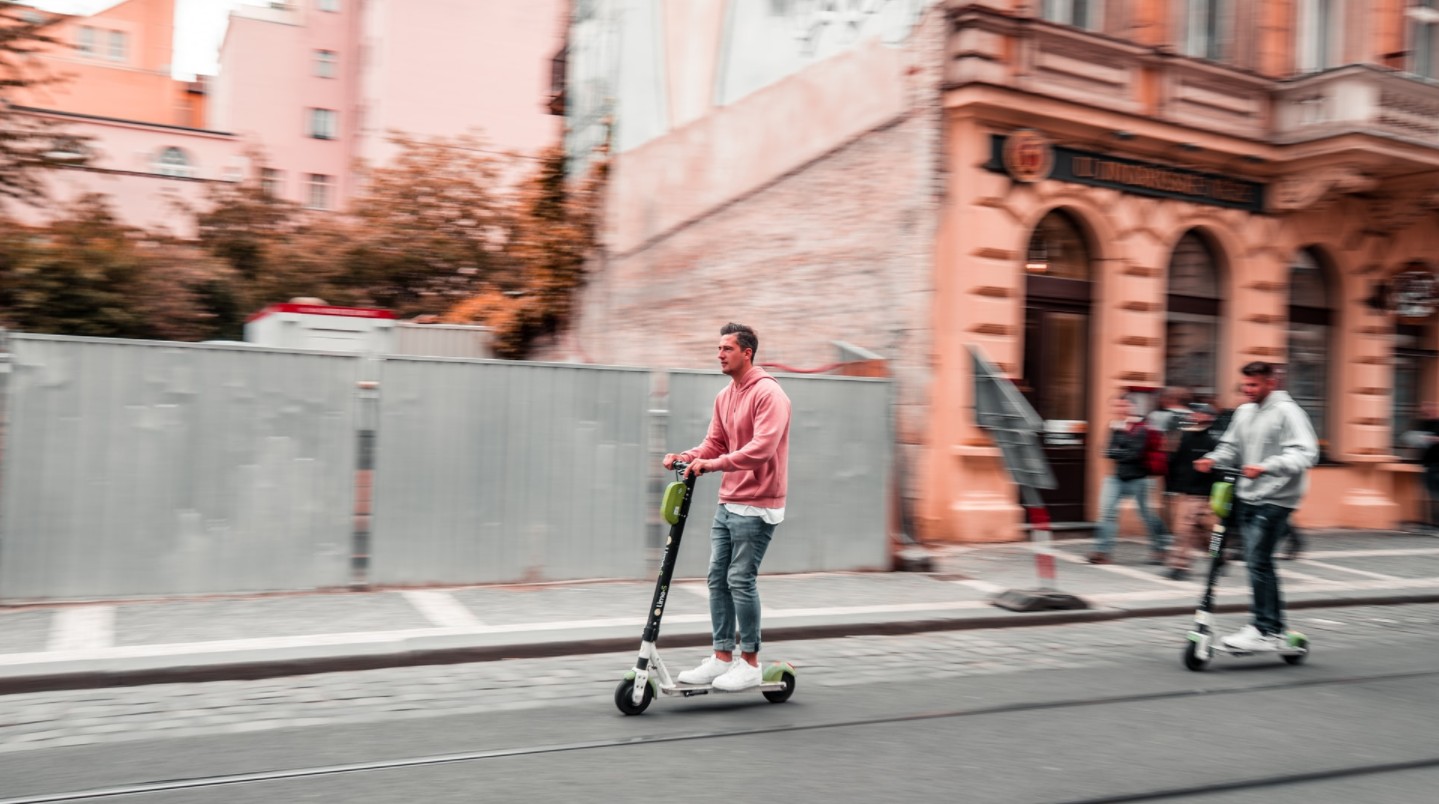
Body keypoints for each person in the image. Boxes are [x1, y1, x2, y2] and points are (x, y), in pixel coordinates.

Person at [664, 323, 792, 691]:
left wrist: (713, 465)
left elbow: (761, 449)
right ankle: (722, 657)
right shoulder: (725, 396)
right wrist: (686, 457)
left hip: (758, 502)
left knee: (740, 578)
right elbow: (715, 442)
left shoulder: (770, 395)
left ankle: (750, 661)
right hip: (729, 500)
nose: (719, 354)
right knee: (716, 579)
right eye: (718, 348)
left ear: (746, 352)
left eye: (726, 348)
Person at [1195, 361, 1318, 652]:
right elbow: (1231, 447)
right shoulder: (1244, 411)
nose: (1248, 390)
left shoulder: (1288, 412)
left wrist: (1266, 467)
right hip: (1248, 495)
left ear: (1270, 383)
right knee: (1260, 562)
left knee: (1258, 560)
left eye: (1254, 385)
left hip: (1277, 498)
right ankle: (1273, 628)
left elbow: (1306, 453)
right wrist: (1214, 459)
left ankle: (1264, 629)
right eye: (1245, 385)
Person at [1089, 395, 1170, 565]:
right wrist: (1120, 452)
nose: (1120, 409)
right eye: (1117, 406)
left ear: (1132, 406)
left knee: (1147, 515)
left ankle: (1161, 548)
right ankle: (1102, 552)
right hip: (1117, 477)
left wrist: (1119, 451)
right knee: (1107, 513)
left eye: (1124, 406)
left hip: (1140, 478)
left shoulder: (1142, 427)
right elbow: (1107, 451)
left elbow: (1136, 453)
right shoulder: (1115, 426)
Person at [1162, 403, 1222, 581]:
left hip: (1207, 493)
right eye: (1195, 413)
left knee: (1197, 531)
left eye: (1200, 413)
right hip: (1186, 492)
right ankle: (1186, 564)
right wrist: (1171, 487)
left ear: (1210, 417)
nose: (1195, 416)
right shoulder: (1184, 436)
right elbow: (1173, 462)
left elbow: (1220, 467)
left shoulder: (1214, 440)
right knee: (1191, 531)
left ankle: (1186, 564)